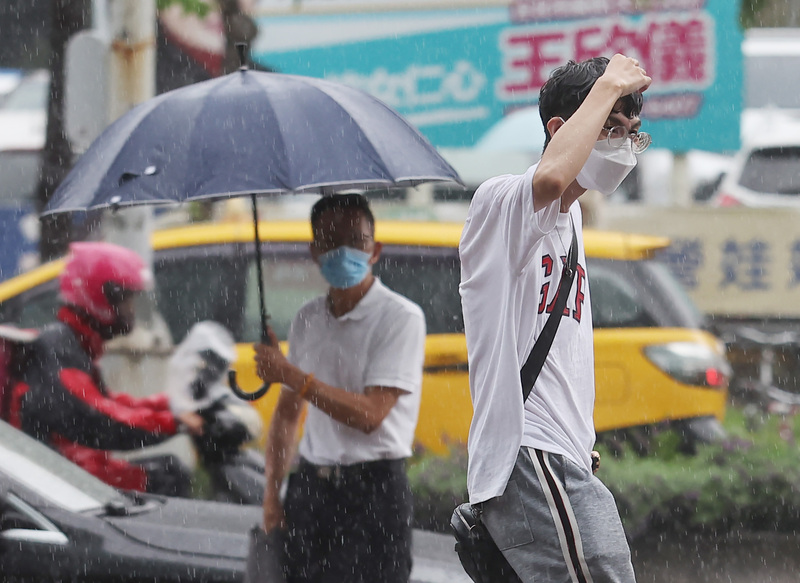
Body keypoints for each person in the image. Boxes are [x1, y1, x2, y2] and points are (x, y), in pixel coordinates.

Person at [458, 54, 651, 582]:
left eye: (632, 132)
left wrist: (580, 440)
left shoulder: (574, 226)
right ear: (559, 129)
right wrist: (609, 80)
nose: (622, 144)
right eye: (610, 126)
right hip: (529, 453)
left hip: (563, 454)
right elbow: (548, 178)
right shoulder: (500, 200)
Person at [254, 193, 426, 583]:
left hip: (374, 494)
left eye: (355, 239)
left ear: (375, 249)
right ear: (314, 252)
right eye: (330, 241)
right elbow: (286, 415)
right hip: (312, 491)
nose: (342, 250)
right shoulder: (307, 319)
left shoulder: (400, 318)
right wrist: (272, 494)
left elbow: (370, 415)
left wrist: (292, 375)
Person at [9, 242, 204, 497]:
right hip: (63, 484)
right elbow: (100, 420)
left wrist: (172, 405)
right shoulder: (58, 350)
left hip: (70, 473)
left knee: (169, 470)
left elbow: (109, 404)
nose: (131, 310)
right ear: (99, 297)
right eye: (125, 300)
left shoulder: (75, 344)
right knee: (168, 475)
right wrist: (175, 422)